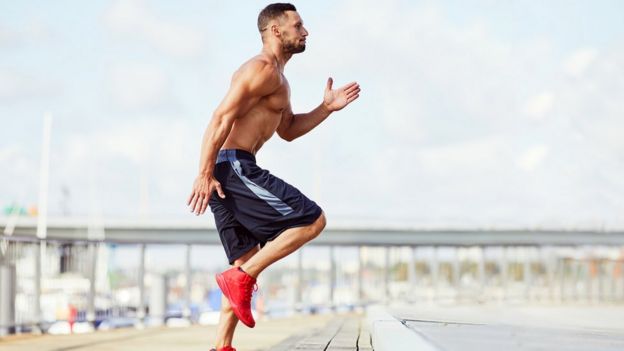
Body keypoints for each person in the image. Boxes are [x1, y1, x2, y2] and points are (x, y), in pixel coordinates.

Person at [187, 3, 360, 351]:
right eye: (298, 25)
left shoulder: (280, 80)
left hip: (228, 169)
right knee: (313, 220)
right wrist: (204, 173)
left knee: (244, 261)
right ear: (276, 31)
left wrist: (325, 108)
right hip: (233, 166)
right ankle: (242, 279)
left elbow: (289, 131)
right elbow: (220, 118)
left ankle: (222, 346)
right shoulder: (261, 69)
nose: (305, 31)